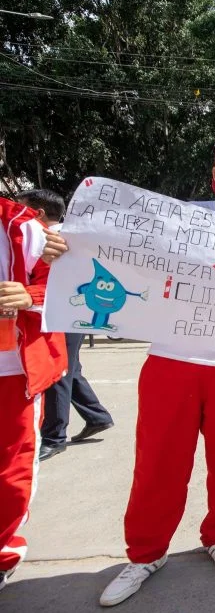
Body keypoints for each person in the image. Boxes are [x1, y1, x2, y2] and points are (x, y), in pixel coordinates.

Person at [44, 136, 215, 606]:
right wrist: (63, 248)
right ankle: (145, 553)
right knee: (158, 462)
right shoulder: (180, 221)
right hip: (170, 361)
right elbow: (112, 248)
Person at [16, 189, 114, 461]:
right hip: (72, 313)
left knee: (58, 371)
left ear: (38, 213)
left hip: (59, 314)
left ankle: (54, 437)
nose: (17, 215)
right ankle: (97, 416)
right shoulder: (70, 237)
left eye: (21, 209)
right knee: (71, 369)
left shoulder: (52, 239)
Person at [0, 196, 67, 592]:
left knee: (12, 468)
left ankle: (4, 549)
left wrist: (29, 296)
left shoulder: (25, 227)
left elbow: (65, 284)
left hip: (12, 369)